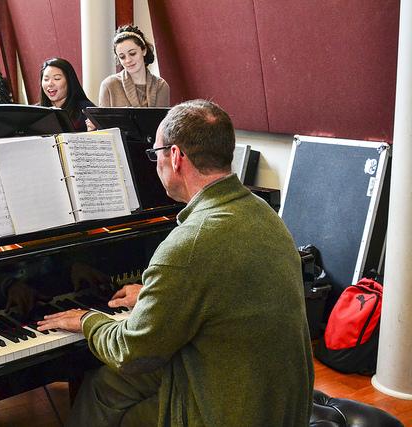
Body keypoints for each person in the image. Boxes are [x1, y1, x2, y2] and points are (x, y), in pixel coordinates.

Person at [38, 99, 314, 426]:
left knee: (121, 401)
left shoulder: (189, 244)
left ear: (176, 156)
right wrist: (157, 297)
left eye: (155, 154)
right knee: (104, 386)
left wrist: (87, 320)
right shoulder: (263, 214)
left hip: (228, 411)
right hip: (278, 400)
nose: (155, 163)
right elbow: (223, 295)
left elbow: (129, 352)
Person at [99, 25, 170, 108]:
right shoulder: (109, 85)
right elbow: (102, 120)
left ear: (144, 50)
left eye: (132, 53)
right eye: (122, 57)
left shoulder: (161, 86)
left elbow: (163, 120)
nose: (128, 60)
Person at [40, 57, 94, 132]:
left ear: (69, 81)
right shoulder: (36, 111)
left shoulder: (86, 110)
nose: (50, 84)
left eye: (57, 78)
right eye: (46, 79)